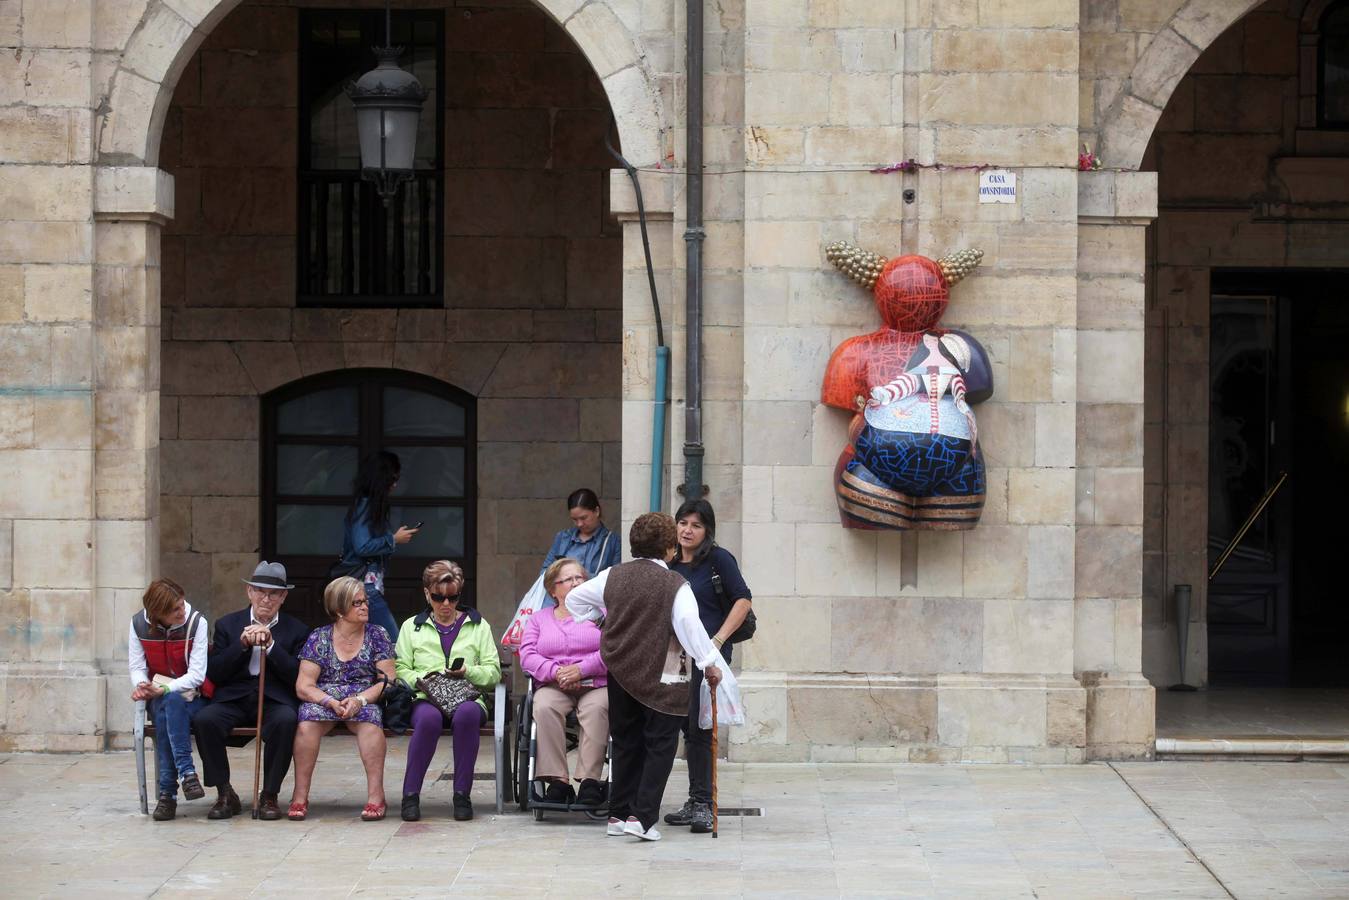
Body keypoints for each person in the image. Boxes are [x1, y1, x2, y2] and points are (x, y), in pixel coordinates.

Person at [566, 512, 723, 842]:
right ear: (669, 548)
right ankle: (643, 817)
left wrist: (600, 620)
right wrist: (710, 661)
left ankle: (618, 814)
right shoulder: (675, 585)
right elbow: (690, 628)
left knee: (625, 743)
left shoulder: (613, 576)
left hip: (620, 672)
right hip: (663, 678)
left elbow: (573, 599)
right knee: (660, 744)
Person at [194, 561, 310, 821]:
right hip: (234, 699)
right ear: (249, 592)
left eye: (273, 594)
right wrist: (242, 645)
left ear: (283, 597)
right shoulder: (227, 625)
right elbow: (215, 672)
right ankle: (224, 792)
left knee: (286, 720)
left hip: (274, 699)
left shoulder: (297, 630)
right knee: (205, 720)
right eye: (260, 591)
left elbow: (297, 675)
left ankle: (269, 794)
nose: (265, 599)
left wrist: (271, 647)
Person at [664, 499, 753, 833]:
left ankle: (704, 804)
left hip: (708, 657)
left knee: (702, 728)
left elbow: (742, 600)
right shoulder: (668, 563)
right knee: (685, 727)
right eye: (683, 523)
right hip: (674, 656)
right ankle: (694, 798)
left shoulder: (718, 560)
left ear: (707, 530)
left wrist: (716, 642)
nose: (688, 530)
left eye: (696, 525)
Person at [395, 560, 502, 822]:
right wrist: (423, 679)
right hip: (426, 697)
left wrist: (468, 672)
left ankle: (462, 795)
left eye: (452, 598)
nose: (446, 604)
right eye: (438, 597)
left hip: (467, 695)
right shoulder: (412, 626)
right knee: (428, 720)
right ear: (426, 593)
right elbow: (400, 669)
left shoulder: (479, 625)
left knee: (466, 715)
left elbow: (493, 672)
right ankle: (410, 795)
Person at [286, 576, 397, 822]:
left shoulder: (377, 634)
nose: (364, 607)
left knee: (371, 722)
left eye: (365, 601)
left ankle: (376, 796)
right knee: (306, 724)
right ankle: (300, 796)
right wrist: (328, 701)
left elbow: (387, 679)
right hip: (326, 698)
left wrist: (360, 700)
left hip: (363, 697)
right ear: (338, 609)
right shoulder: (319, 638)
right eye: (356, 603)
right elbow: (304, 685)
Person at [518, 557, 609, 807]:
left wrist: (581, 669)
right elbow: (527, 656)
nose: (576, 583)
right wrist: (556, 672)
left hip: (595, 682)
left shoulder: (601, 614)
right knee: (544, 705)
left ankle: (589, 781)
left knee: (598, 708)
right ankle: (558, 781)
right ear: (553, 589)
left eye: (580, 577)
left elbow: (612, 648)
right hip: (553, 683)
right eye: (568, 579)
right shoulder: (539, 619)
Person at [128, 578, 210, 821]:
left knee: (171, 704)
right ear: (157, 614)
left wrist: (164, 689)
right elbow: (136, 666)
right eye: (175, 609)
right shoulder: (137, 624)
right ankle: (187, 775)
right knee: (169, 705)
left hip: (194, 697)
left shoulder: (197, 623)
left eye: (182, 604)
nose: (182, 611)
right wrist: (141, 685)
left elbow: (197, 675)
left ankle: (168, 794)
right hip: (160, 697)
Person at [340, 450, 419, 642]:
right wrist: (393, 540)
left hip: (366, 586)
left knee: (368, 643)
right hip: (364, 587)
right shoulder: (365, 505)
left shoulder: (367, 505)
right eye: (393, 478)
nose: (395, 484)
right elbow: (362, 547)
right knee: (393, 642)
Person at [539, 488, 621, 582]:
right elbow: (544, 572)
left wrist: (581, 575)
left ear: (597, 511)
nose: (579, 524)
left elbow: (615, 580)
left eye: (583, 518)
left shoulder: (613, 542)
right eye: (575, 519)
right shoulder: (562, 538)